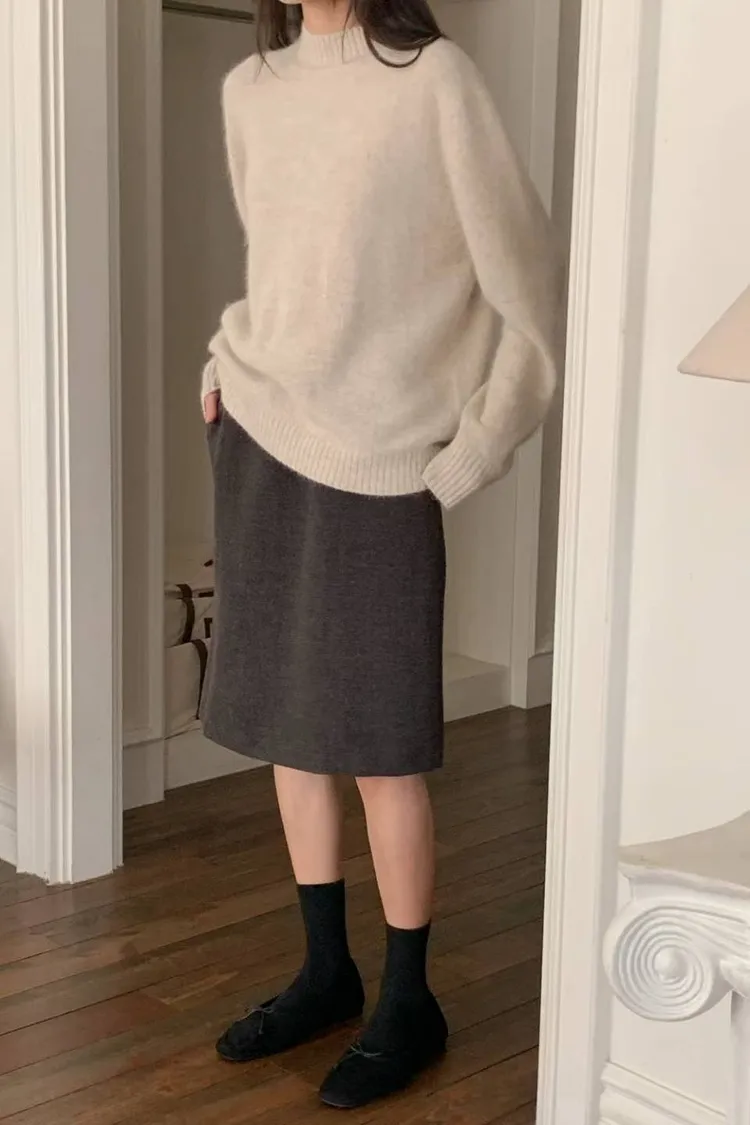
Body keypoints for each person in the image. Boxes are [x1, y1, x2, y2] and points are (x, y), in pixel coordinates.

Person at [200, 0, 559, 1110]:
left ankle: (410, 998)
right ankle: (328, 971)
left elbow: (533, 291)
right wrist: (220, 367)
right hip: (258, 426)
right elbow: (283, 264)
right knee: (289, 732)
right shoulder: (250, 92)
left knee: (381, 744)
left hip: (387, 456)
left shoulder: (435, 81)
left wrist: (478, 446)